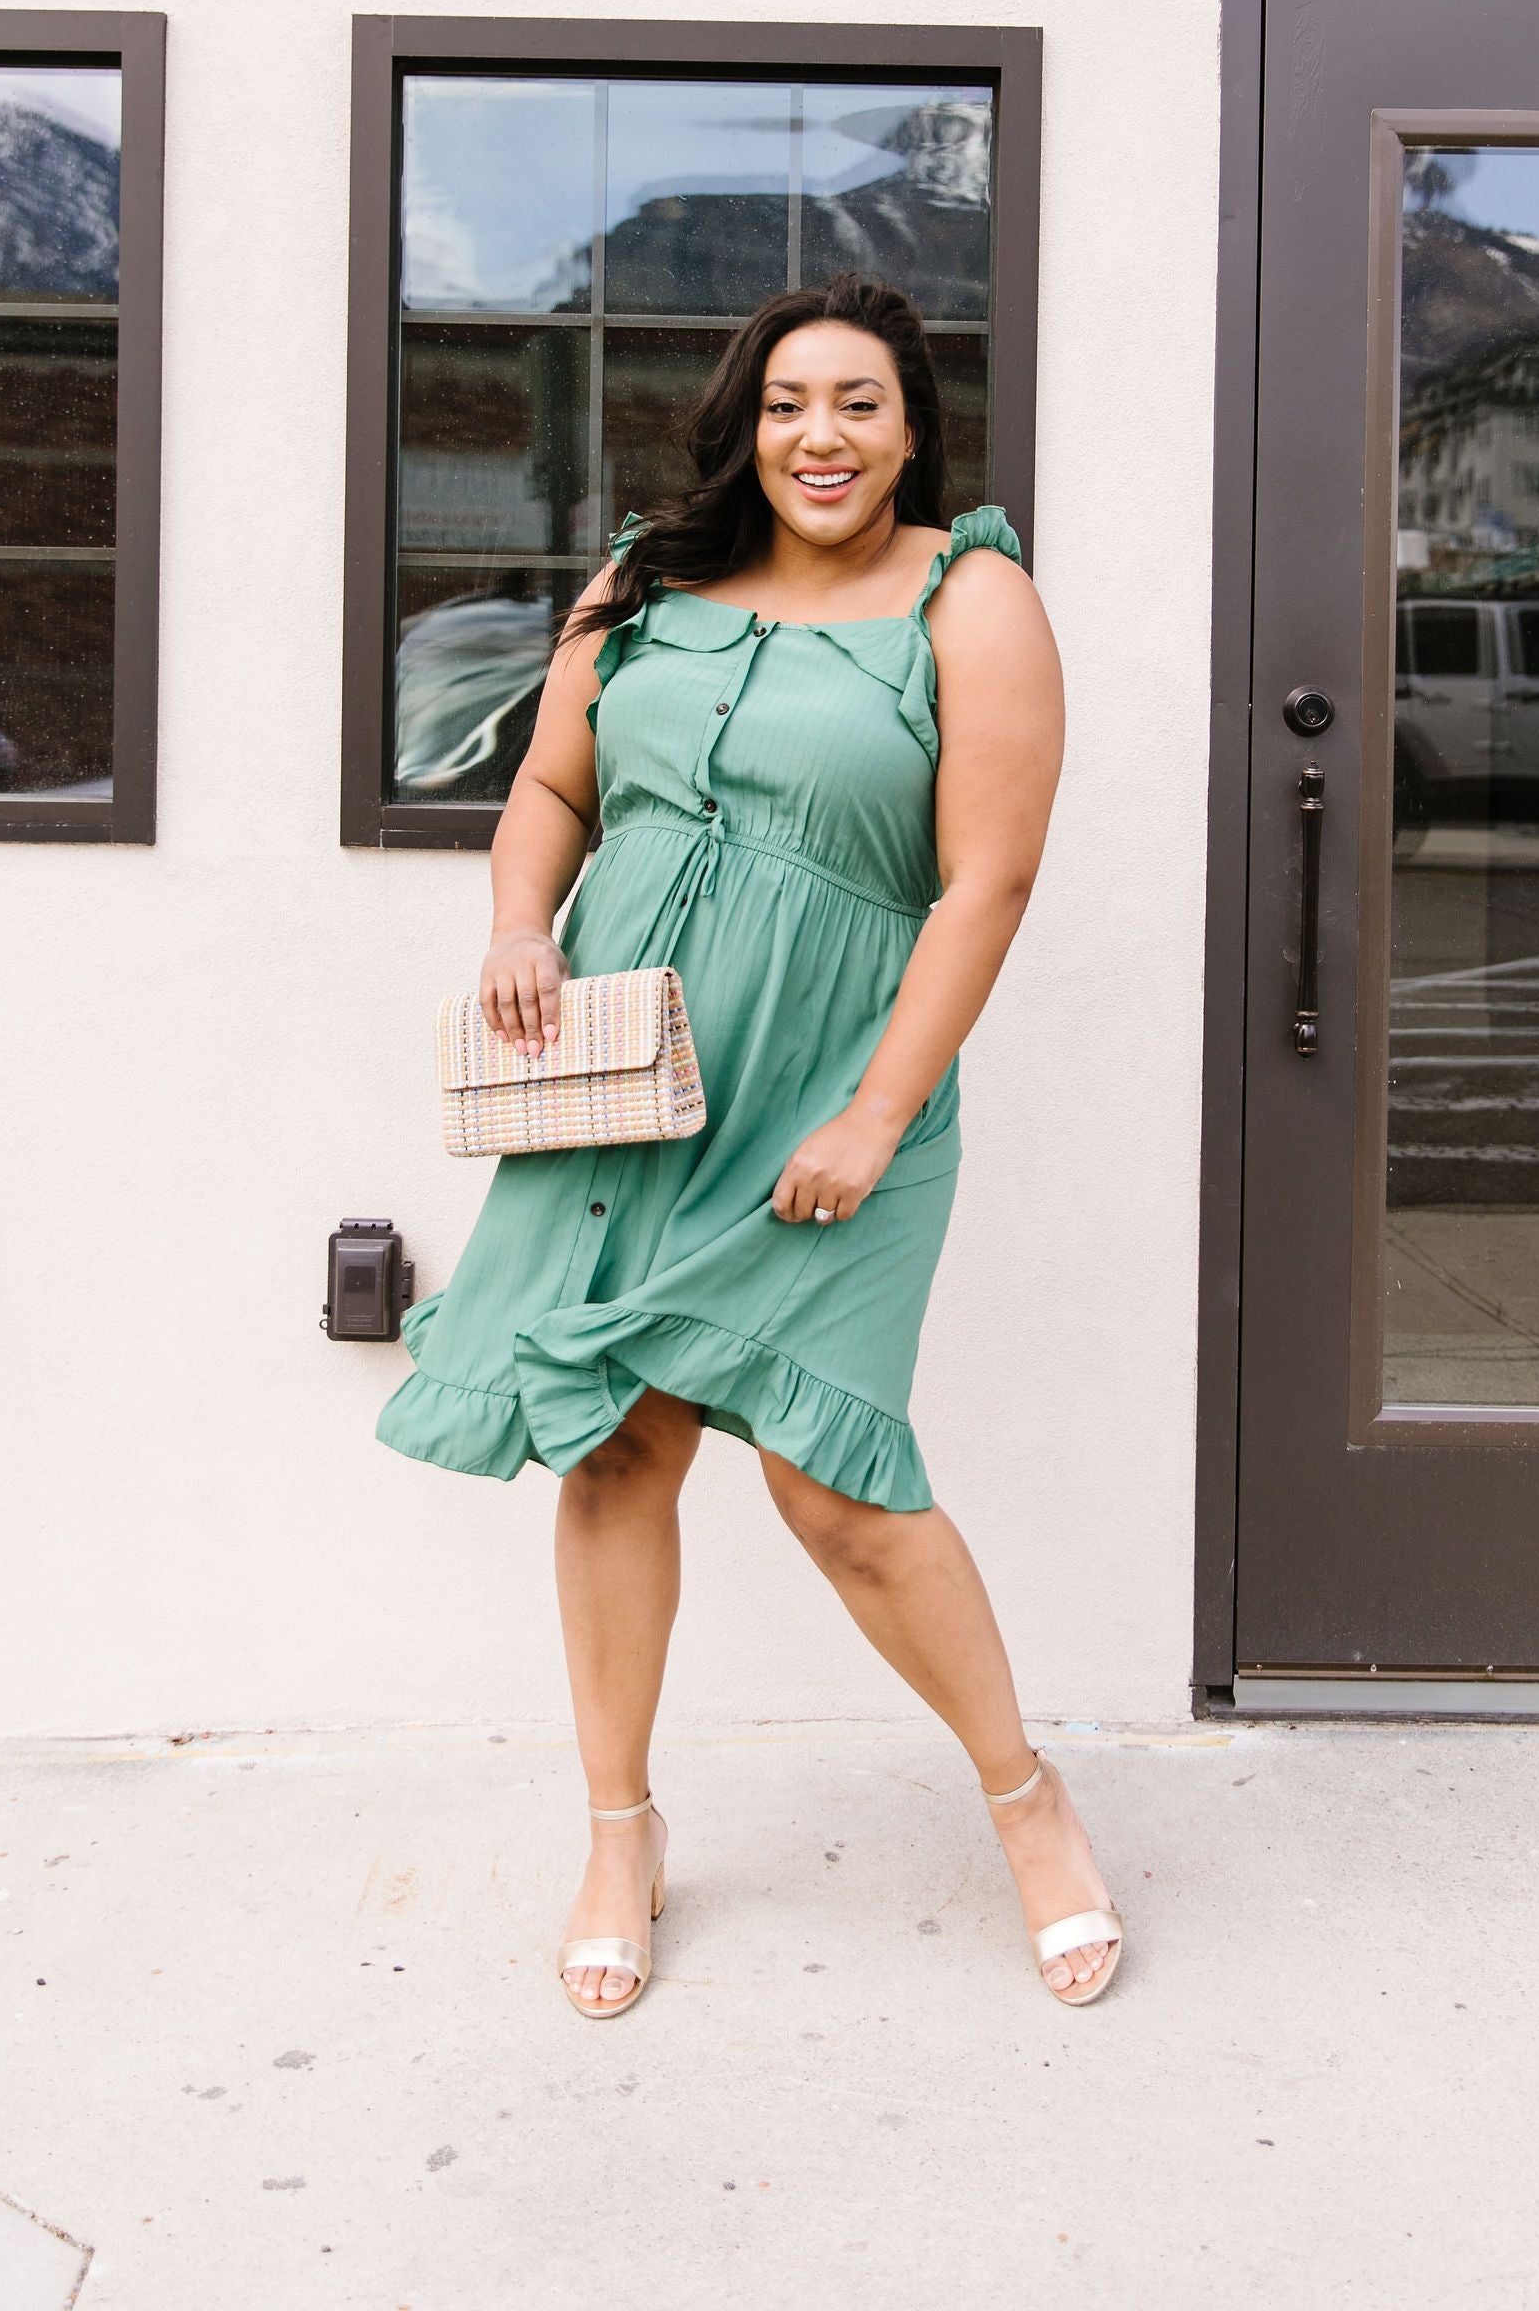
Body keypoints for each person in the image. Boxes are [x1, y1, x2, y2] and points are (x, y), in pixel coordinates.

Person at [378, 271, 1120, 2018]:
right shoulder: (642, 581)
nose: (823, 436)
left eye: (860, 402)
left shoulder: (973, 596)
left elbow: (986, 883)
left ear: (914, 426)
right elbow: (551, 793)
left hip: (837, 1084)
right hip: (628, 1080)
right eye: (791, 403)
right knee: (619, 1446)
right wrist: (513, 924)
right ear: (748, 420)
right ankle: (619, 1828)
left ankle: (1028, 1802)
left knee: (837, 1487)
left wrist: (876, 1110)